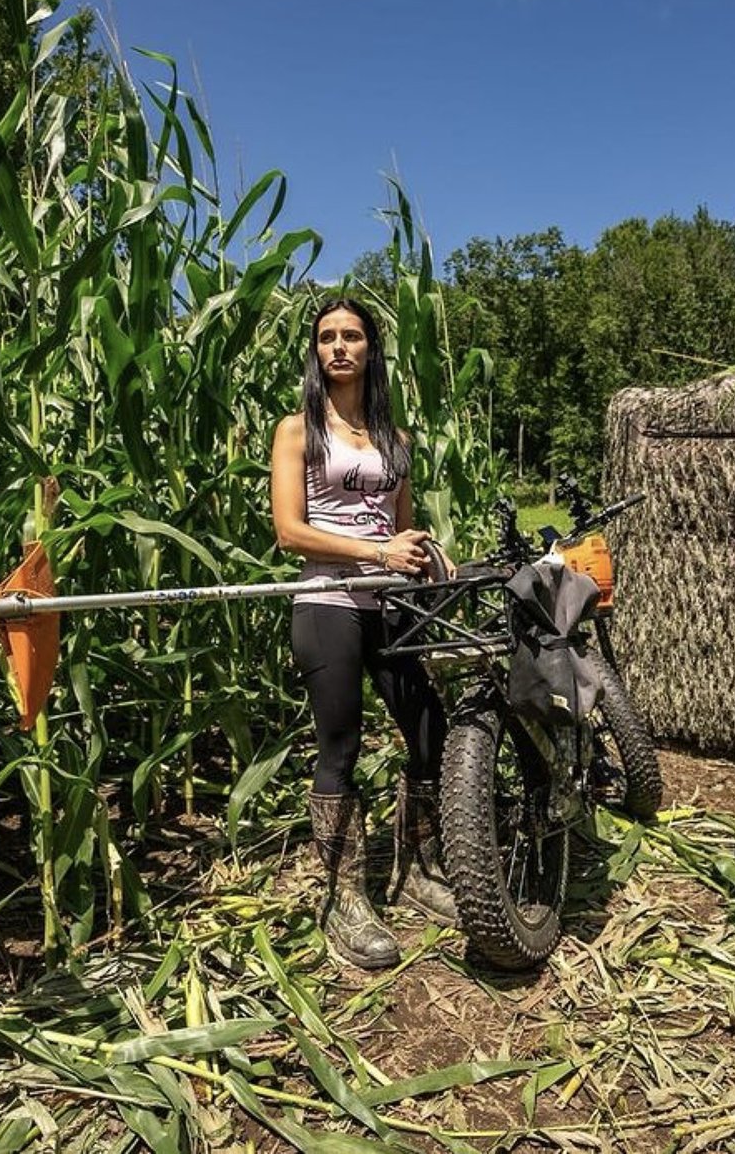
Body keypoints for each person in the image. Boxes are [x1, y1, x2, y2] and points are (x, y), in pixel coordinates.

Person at [270, 297, 458, 969]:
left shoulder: (396, 440)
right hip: (328, 598)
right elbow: (289, 531)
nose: (339, 347)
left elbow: (400, 525)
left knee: (430, 729)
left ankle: (416, 869)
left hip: (392, 604)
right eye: (327, 337)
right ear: (317, 352)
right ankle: (343, 898)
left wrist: (424, 551)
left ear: (371, 349)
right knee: (340, 743)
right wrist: (375, 554)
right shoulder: (297, 430)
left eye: (352, 336)